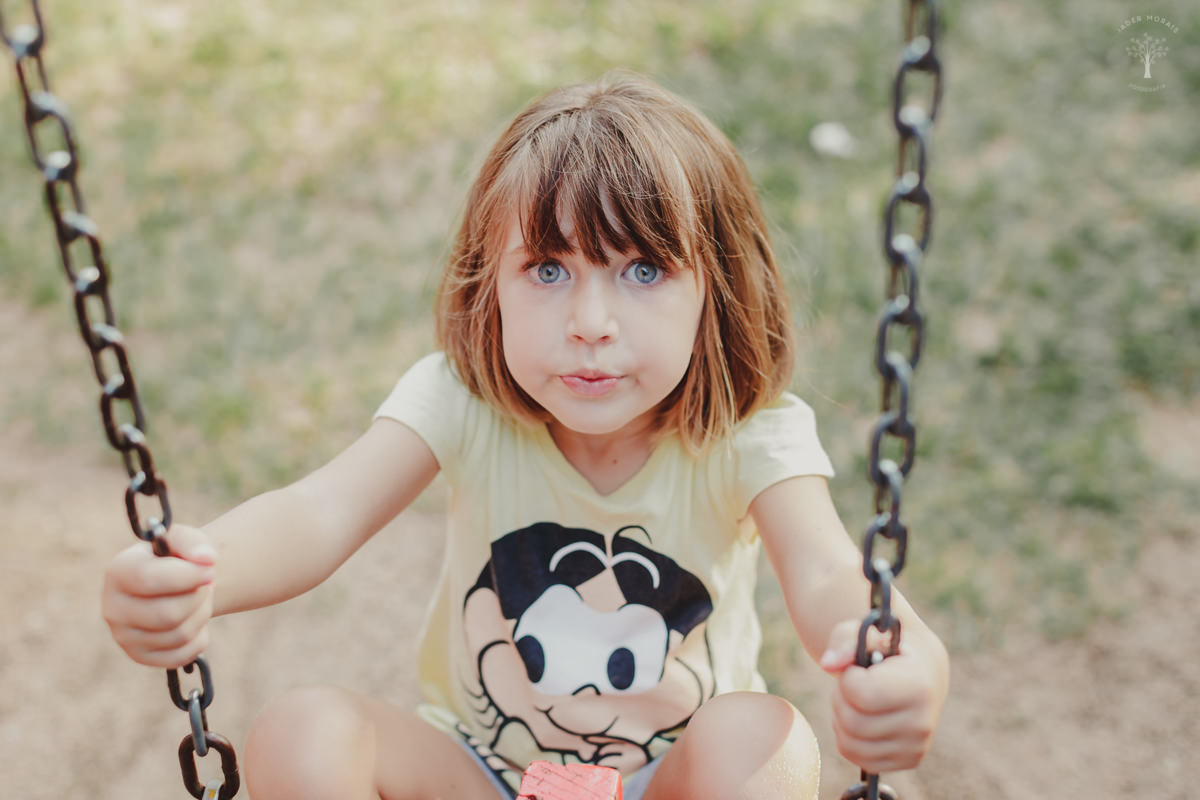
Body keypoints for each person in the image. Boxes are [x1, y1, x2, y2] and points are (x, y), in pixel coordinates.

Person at [102, 72, 948, 800]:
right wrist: (201, 573)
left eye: (643, 270)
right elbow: (321, 512)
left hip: (665, 784)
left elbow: (826, 573)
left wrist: (905, 662)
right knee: (304, 732)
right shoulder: (463, 402)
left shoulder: (749, 437)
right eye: (548, 269)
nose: (590, 322)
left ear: (714, 291)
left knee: (766, 742)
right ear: (491, 285)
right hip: (481, 771)